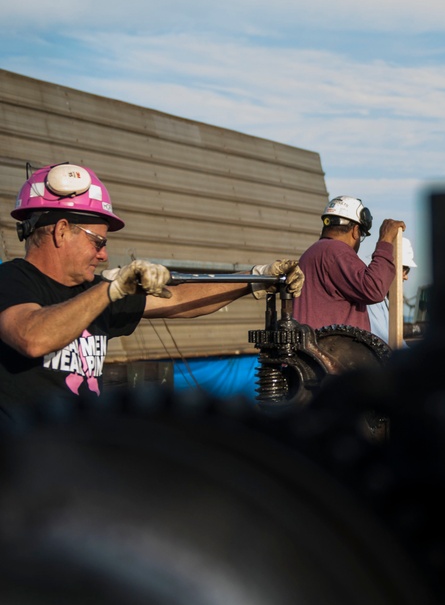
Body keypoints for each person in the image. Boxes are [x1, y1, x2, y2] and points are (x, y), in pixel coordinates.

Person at [0, 162, 304, 422]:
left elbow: (182, 300)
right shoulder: (10, 279)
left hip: (81, 457)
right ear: (62, 230)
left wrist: (255, 278)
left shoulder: (94, 292)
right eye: (98, 242)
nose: (104, 256)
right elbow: (32, 337)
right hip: (24, 462)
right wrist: (111, 289)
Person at [293, 195, 405, 331]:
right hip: (331, 350)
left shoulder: (313, 252)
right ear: (356, 231)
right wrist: (385, 241)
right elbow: (374, 289)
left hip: (317, 347)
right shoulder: (336, 251)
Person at [368, 237, 417, 345]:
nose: (406, 277)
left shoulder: (382, 300)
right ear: (392, 268)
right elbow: (385, 342)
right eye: (406, 270)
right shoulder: (373, 302)